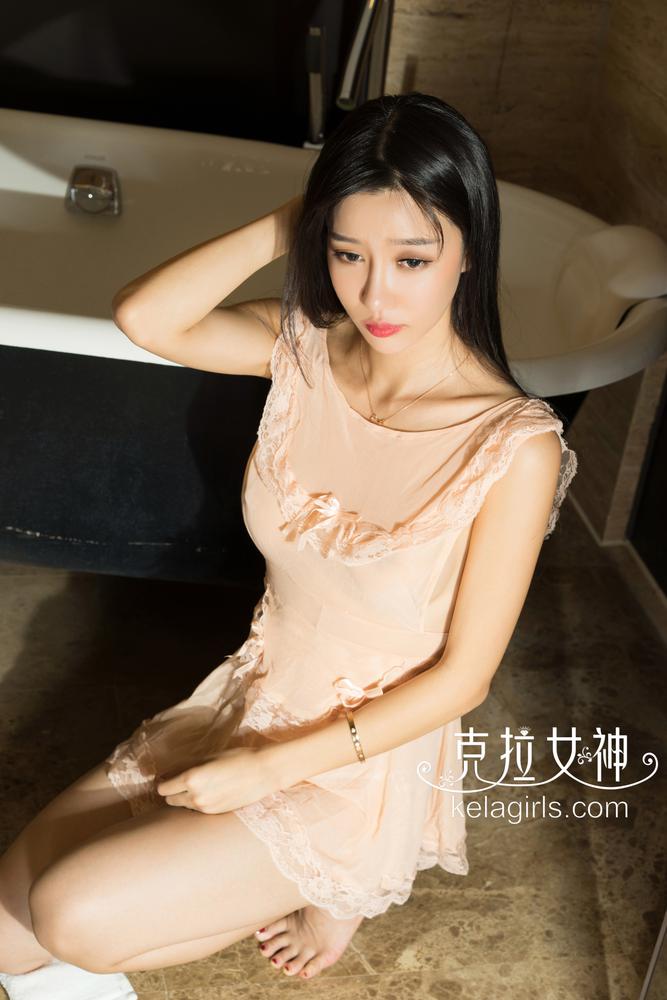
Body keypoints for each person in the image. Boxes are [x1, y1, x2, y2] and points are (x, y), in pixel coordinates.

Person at [0, 92, 578, 998]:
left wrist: (265, 771)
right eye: (346, 254)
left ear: (468, 248)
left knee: (70, 914)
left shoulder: (511, 445)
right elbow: (146, 317)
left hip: (356, 762)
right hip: (249, 698)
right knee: (8, 934)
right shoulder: (304, 346)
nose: (375, 295)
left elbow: (462, 680)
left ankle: (335, 889)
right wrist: (297, 216)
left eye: (411, 259)